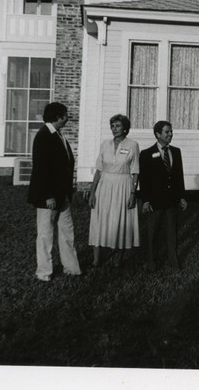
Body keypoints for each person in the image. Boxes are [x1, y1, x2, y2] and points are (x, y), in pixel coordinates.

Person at [27, 102, 81, 282]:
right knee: (45, 235)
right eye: (65, 115)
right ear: (57, 117)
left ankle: (72, 268)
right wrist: (48, 195)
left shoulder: (58, 135)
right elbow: (41, 169)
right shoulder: (44, 136)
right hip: (48, 197)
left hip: (63, 195)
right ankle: (44, 272)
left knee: (67, 232)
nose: (67, 118)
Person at [88, 114, 140, 268]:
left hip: (123, 185)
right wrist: (92, 192)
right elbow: (98, 170)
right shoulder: (105, 144)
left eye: (118, 126)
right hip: (104, 185)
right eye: (112, 126)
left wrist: (133, 193)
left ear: (125, 128)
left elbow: (135, 171)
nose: (114, 129)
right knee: (99, 220)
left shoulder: (133, 145)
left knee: (121, 220)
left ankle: (119, 258)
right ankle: (96, 259)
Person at [138, 120, 187, 272]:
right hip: (155, 201)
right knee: (153, 234)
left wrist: (182, 197)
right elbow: (144, 180)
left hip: (171, 201)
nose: (170, 134)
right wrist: (145, 201)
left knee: (172, 234)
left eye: (171, 132)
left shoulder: (176, 152)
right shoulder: (146, 154)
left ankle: (174, 261)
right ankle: (152, 262)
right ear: (158, 134)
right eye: (167, 132)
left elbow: (179, 177)